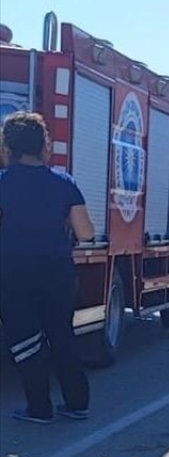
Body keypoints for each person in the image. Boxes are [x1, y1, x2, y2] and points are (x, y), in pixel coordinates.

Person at [0, 112, 95, 423]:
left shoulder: (3, 183)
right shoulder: (64, 183)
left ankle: (39, 408)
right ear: (43, 144)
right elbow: (86, 232)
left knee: (26, 340)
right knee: (62, 335)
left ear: (8, 147)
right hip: (57, 271)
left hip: (14, 271)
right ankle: (77, 403)